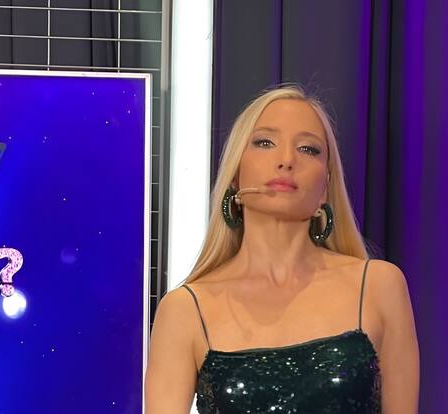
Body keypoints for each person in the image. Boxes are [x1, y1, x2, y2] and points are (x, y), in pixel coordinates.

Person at [145, 85, 419, 413]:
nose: (287, 160)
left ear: (325, 187)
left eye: (308, 149)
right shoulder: (185, 310)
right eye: (265, 143)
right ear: (235, 176)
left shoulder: (379, 286)